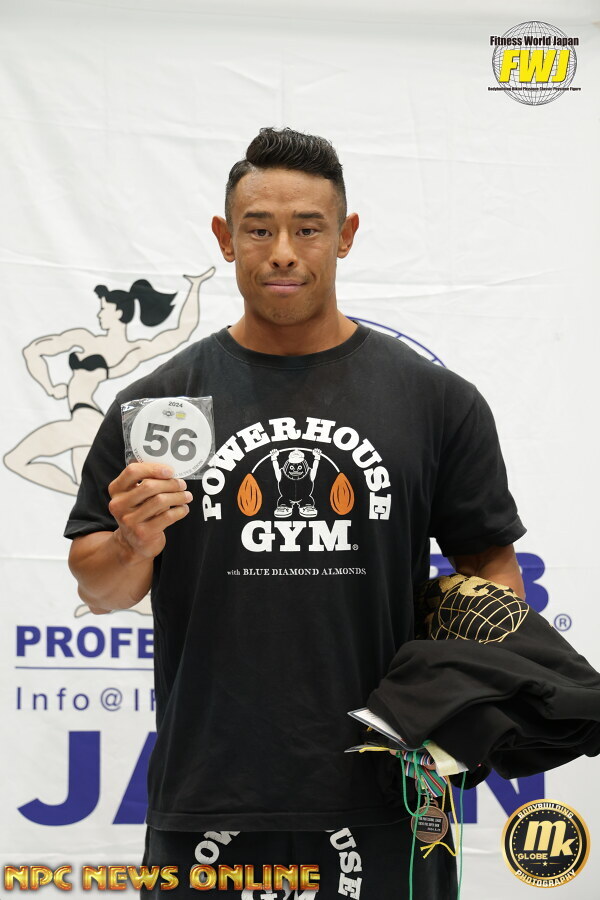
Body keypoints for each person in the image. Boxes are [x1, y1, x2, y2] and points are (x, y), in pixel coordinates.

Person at [65, 127, 526, 898]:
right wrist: (133, 542)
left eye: (308, 229)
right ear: (225, 238)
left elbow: (490, 565)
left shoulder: (435, 401)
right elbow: (99, 586)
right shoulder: (161, 404)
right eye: (259, 230)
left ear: (345, 235)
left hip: (392, 786)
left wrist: (470, 692)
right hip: (211, 784)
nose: (283, 252)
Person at [5, 269, 214, 495]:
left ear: (119, 312)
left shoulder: (129, 352)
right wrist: (49, 386)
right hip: (83, 417)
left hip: (84, 419)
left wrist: (195, 287)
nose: (99, 314)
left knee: (17, 460)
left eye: (104, 308)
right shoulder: (85, 338)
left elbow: (181, 332)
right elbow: (32, 351)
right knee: (88, 493)